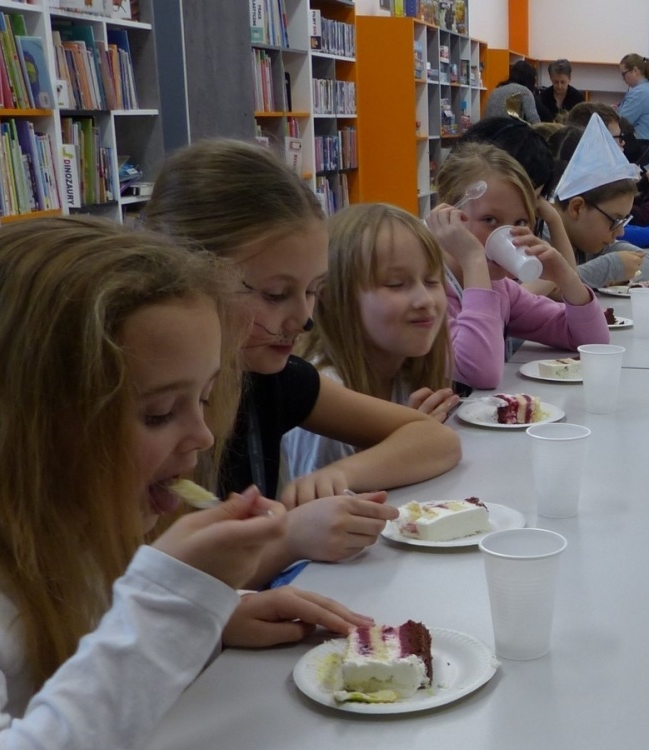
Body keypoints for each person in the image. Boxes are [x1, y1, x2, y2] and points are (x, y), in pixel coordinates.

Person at [0, 217, 371, 750]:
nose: (200, 435)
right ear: (29, 427)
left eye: (203, 398)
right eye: (161, 412)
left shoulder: (78, 528)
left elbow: (87, 640)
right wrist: (169, 600)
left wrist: (218, 612)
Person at [143, 139, 462, 583]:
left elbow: (435, 440)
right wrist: (289, 539)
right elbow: (162, 587)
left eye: (313, 290)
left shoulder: (274, 378)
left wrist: (338, 475)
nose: (305, 319)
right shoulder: (140, 406)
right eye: (276, 295)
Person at [283, 204, 459, 479]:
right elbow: (320, 505)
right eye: (395, 284)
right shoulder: (323, 389)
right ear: (332, 298)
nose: (425, 300)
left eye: (431, 280)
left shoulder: (406, 371)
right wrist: (402, 445)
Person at [425, 140, 609, 391]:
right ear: (449, 217)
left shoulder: (499, 289)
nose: (507, 235)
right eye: (490, 220)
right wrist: (474, 259)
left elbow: (593, 342)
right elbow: (481, 372)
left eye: (520, 221)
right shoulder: (424, 290)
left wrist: (566, 278)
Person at [546, 122, 649, 289]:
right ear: (576, 208)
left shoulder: (588, 240)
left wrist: (612, 272)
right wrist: (610, 269)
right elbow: (551, 287)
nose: (621, 231)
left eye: (623, 220)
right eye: (615, 220)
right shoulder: (542, 234)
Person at [617, 53, 649, 153]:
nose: (623, 78)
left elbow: (621, 123)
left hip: (644, 153)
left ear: (635, 70)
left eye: (624, 74)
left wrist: (611, 114)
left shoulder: (639, 93)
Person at [484, 58, 542, 123]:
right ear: (530, 79)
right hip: (510, 131)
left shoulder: (495, 91)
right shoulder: (525, 92)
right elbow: (534, 121)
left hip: (489, 131)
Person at [536, 58, 583, 123]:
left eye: (563, 82)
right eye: (555, 82)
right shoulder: (543, 97)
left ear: (569, 79)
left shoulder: (578, 98)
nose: (559, 86)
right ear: (550, 78)